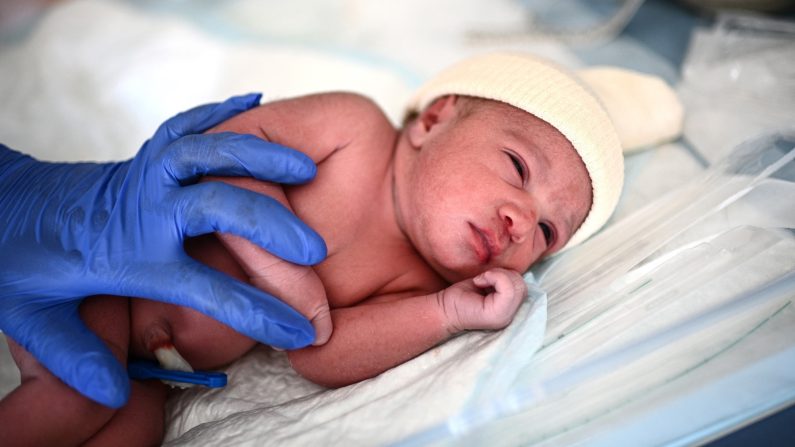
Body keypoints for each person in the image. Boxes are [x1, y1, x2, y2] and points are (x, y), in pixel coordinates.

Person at [0, 52, 625, 445]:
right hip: (104, 273)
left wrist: (446, 315)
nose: (522, 221)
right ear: (434, 119)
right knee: (78, 396)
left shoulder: (419, 287)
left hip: (164, 379)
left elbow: (320, 356)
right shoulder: (354, 130)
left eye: (548, 233)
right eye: (517, 167)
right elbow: (227, 146)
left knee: (133, 431)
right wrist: (282, 271)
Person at [0, 93, 331, 410]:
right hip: (98, 288)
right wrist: (280, 275)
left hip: (129, 315)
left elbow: (328, 357)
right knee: (75, 403)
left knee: (130, 421)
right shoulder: (363, 130)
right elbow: (241, 137)